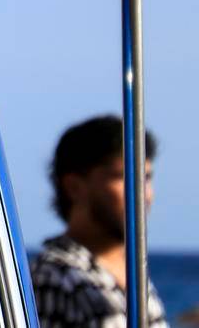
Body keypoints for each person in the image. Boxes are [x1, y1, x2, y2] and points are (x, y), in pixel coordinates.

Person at [32, 116, 168, 328]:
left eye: (147, 177)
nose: (142, 192)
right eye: (123, 176)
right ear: (74, 187)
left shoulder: (133, 269)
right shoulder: (54, 276)